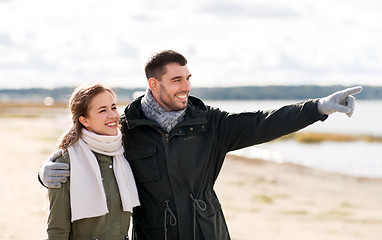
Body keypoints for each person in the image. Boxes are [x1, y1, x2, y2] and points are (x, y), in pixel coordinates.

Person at [39, 50, 362, 240]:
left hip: (208, 231)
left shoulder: (210, 123)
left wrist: (320, 106)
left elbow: (265, 121)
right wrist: (46, 172)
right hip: (155, 235)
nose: (186, 86)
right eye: (177, 80)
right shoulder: (128, 128)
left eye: (188, 78)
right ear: (154, 84)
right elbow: (89, 152)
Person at [45, 83, 140, 240]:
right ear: (84, 120)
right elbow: (57, 230)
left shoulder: (125, 153)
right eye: (102, 110)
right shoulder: (66, 162)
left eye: (113, 107)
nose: (112, 115)